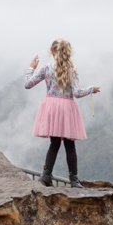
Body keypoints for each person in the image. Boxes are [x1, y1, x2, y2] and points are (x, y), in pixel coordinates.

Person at [25, 39, 100, 188]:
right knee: (69, 144)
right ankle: (74, 180)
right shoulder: (72, 70)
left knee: (54, 143)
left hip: (51, 106)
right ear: (67, 53)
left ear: (52, 53)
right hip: (66, 108)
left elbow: (28, 84)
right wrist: (92, 88)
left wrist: (31, 68)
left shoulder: (46, 68)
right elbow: (77, 93)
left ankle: (46, 175)